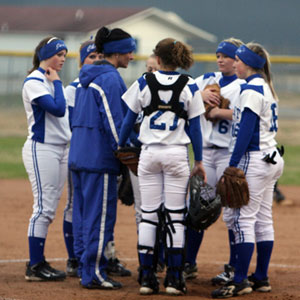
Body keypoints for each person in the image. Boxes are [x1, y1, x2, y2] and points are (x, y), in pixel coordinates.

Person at [118, 38, 206, 295]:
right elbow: (196, 129)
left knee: (148, 215)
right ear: (178, 59)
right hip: (176, 154)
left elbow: (127, 120)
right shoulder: (189, 84)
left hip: (149, 153)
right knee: (175, 216)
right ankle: (174, 278)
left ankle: (146, 278)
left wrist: (121, 145)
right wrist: (199, 161)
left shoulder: (144, 81)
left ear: (157, 58)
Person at [211, 43, 284, 298]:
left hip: (254, 157)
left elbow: (246, 131)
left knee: (243, 220)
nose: (235, 64)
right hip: (271, 157)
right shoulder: (264, 87)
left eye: (239, 61)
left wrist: (232, 163)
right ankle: (261, 277)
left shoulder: (252, 90)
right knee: (263, 220)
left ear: (248, 64)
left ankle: (240, 280)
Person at [68, 26, 136, 290]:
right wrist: (125, 150)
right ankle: (94, 272)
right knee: (100, 217)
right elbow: (113, 121)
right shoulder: (109, 78)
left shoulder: (87, 75)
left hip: (80, 154)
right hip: (98, 159)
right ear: (116, 52)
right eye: (129, 50)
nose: (131, 56)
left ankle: (87, 267)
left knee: (85, 217)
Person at [184, 38, 245, 284]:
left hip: (227, 153)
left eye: (226, 56)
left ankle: (233, 266)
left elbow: (251, 115)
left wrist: (223, 112)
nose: (220, 59)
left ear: (237, 60)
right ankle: (189, 262)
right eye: (218, 55)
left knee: (232, 209)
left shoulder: (243, 85)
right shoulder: (207, 79)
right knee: (198, 206)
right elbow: (182, 94)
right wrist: (200, 94)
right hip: (205, 153)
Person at [22, 36, 71, 281]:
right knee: (43, 208)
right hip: (42, 148)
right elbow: (57, 108)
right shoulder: (35, 80)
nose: (62, 59)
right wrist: (58, 83)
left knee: (50, 207)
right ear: (46, 55)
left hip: (60, 148)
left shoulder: (49, 80)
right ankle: (35, 265)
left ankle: (39, 262)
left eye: (64, 55)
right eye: (58, 54)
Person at [63, 40, 103, 277]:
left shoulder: (105, 82)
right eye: (91, 56)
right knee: (74, 205)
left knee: (100, 207)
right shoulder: (73, 88)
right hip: (78, 151)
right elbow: (70, 123)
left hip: (100, 154)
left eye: (100, 56)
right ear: (82, 61)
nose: (96, 60)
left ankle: (103, 254)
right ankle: (73, 258)